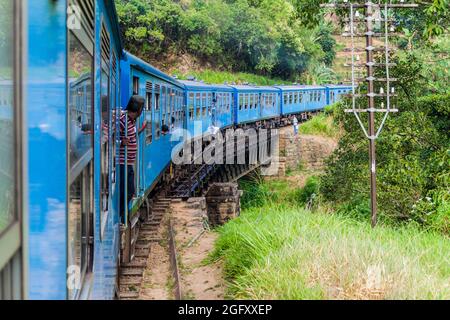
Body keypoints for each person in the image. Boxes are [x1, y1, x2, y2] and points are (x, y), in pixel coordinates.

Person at [119, 95, 147, 224]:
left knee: (130, 191)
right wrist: (120, 141)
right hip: (122, 162)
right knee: (128, 191)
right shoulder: (122, 120)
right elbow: (110, 137)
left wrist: (141, 130)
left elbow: (130, 137)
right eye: (142, 108)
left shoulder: (131, 121)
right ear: (139, 109)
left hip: (128, 162)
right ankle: (120, 217)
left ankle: (123, 216)